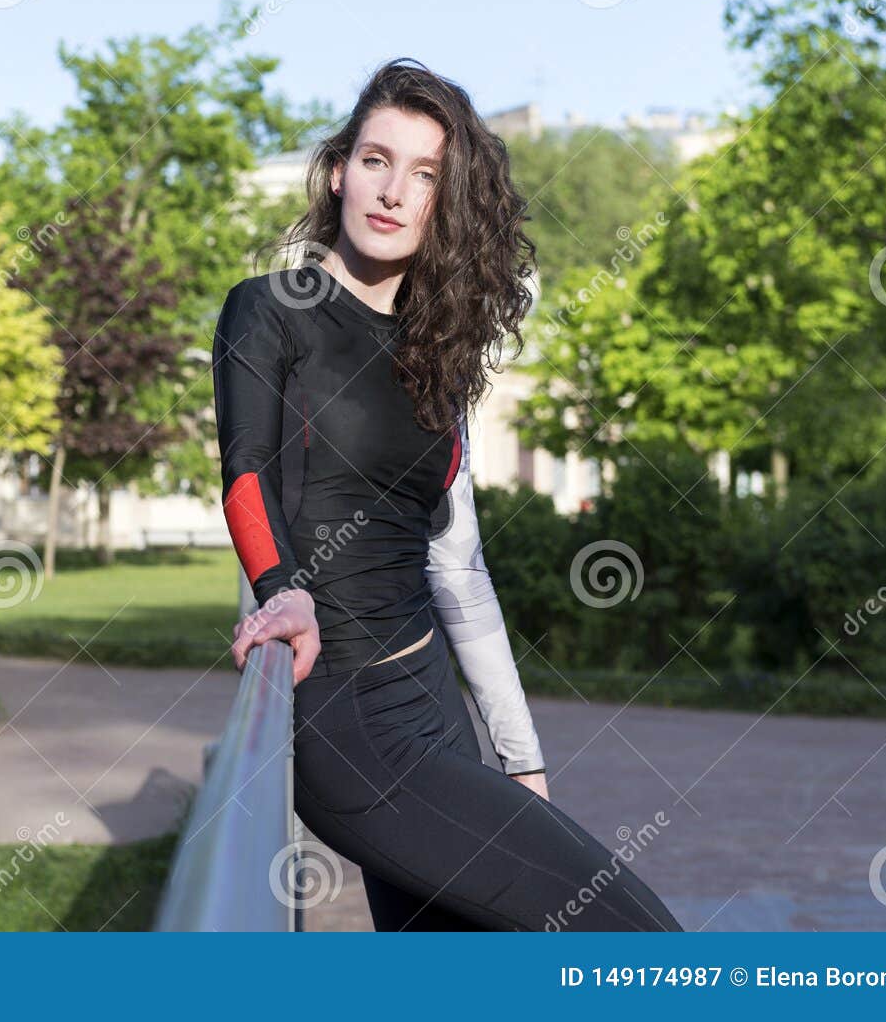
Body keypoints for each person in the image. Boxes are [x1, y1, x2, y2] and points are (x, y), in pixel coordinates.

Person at [213, 57, 682, 932]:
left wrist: (520, 759)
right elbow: (244, 471)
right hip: (352, 726)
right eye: (377, 160)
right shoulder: (269, 311)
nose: (393, 191)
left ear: (447, 203)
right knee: (633, 934)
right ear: (340, 171)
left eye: (425, 174)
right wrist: (284, 593)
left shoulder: (441, 358)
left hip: (431, 698)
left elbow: (460, 572)